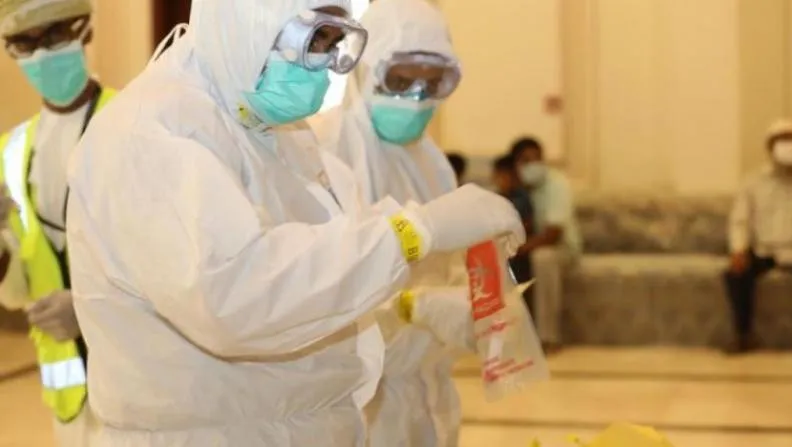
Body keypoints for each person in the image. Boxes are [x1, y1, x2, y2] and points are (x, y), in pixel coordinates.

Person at [64, 0, 525, 445]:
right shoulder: (151, 135)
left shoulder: (273, 128)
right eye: (314, 39)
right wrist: (414, 232)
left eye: (334, 42)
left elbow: (327, 256)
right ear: (253, 16)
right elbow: (237, 295)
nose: (324, 65)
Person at [311, 0, 481, 444]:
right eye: (401, 82)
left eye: (432, 83)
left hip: (422, 385)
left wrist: (472, 302)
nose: (417, 98)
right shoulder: (323, 149)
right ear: (367, 71)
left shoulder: (432, 164)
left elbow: (448, 264)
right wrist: (409, 307)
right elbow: (320, 283)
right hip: (351, 395)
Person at [0, 0, 115, 444]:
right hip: (66, 391)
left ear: (86, 30)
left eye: (55, 35)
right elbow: (16, 293)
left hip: (138, 381)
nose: (42, 55)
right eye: (25, 44)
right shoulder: (11, 152)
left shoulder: (134, 125)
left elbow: (172, 266)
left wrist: (89, 308)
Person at [723, 119, 792, 354]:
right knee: (735, 274)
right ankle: (743, 335)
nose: (787, 145)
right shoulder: (753, 182)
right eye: (781, 140)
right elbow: (740, 220)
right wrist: (738, 250)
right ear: (770, 147)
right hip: (763, 250)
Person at [511, 136, 582, 354]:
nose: (533, 165)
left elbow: (553, 233)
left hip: (561, 249)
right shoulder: (516, 188)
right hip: (527, 247)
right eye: (526, 161)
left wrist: (520, 249)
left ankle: (548, 337)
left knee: (543, 258)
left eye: (537, 159)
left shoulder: (556, 184)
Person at [492, 154, 535, 310]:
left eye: (502, 177)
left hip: (518, 254)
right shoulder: (500, 197)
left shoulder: (521, 199)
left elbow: (525, 225)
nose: (499, 181)